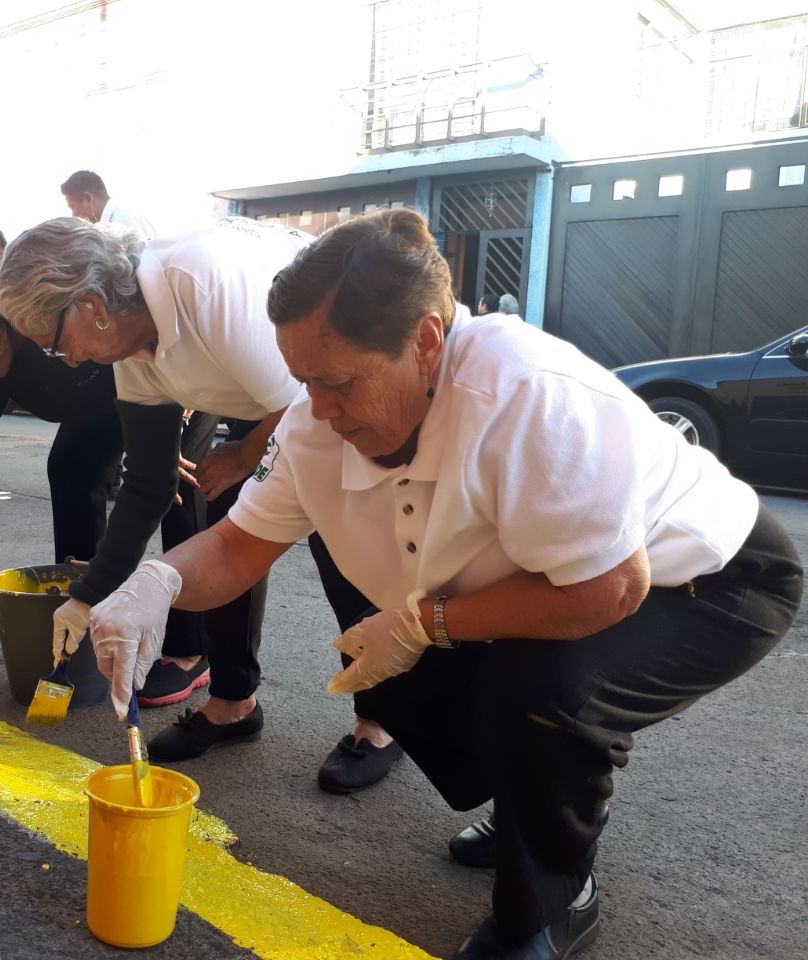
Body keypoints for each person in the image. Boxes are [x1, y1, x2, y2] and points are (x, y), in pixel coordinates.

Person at [84, 209, 802, 959]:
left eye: (335, 382)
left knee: (539, 690)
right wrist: (158, 582)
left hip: (710, 580)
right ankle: (533, 805)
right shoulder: (313, 423)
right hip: (555, 575)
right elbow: (236, 547)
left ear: (426, 343)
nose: (317, 412)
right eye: (301, 382)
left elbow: (606, 591)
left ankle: (554, 903)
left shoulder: (525, 398)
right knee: (400, 680)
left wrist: (422, 622)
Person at [0, 216, 406, 773]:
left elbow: (309, 405)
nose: (66, 360)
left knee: (340, 538)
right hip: (267, 399)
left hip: (338, 389)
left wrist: (241, 457)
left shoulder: (202, 286)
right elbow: (148, 481)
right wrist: (89, 594)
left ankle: (380, 721)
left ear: (93, 305)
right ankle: (234, 700)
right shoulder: (133, 354)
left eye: (55, 343)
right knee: (221, 527)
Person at [0, 256, 216, 706]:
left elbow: (151, 340)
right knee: (70, 469)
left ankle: (190, 651)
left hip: (173, 380)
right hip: (102, 402)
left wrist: (165, 431)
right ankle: (84, 613)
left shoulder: (59, 320)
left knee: (179, 487)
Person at [60, 170, 156, 239]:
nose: (73, 216)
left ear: (89, 199)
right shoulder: (116, 220)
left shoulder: (121, 223)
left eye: (73, 207)